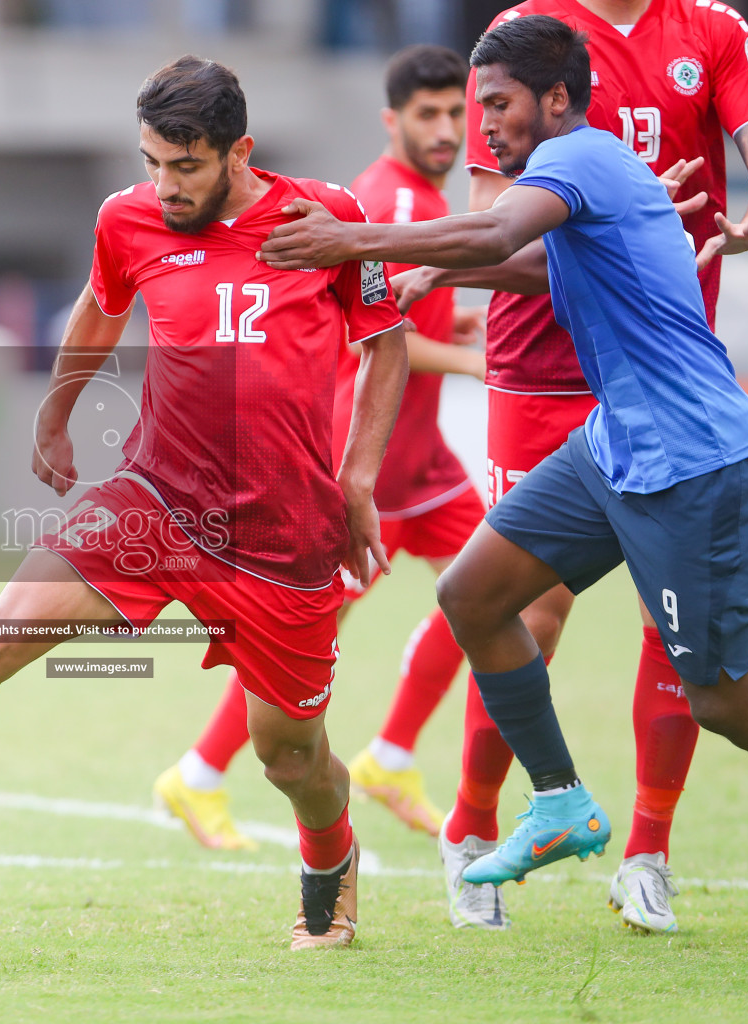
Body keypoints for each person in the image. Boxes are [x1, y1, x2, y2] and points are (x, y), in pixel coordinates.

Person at [0, 55, 410, 951]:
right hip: (156, 498)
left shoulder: (327, 216)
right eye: (151, 163)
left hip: (284, 538)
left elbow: (386, 341)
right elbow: (100, 305)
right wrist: (56, 412)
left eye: (186, 166)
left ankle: (330, 863)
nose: (163, 186)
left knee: (289, 754)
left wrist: (357, 479)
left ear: (240, 150)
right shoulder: (127, 219)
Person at [256, 13, 748, 935]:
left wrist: (355, 243)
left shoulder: (579, 159)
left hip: (695, 461)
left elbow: (496, 238)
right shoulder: (585, 172)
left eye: (496, 106)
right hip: (614, 442)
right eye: (476, 106)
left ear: (553, 99)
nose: (482, 126)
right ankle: (560, 802)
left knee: (721, 698)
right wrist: (421, 270)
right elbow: (537, 265)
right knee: (474, 594)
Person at [384, 0, 748, 935]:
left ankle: (648, 852)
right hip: (538, 373)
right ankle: (475, 830)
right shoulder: (530, 33)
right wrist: (606, 216)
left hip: (655, 371)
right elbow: (500, 223)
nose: (482, 116)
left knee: (678, 630)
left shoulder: (712, 29)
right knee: (521, 607)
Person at [152, 45, 489, 870]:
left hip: (423, 468)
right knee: (298, 643)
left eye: (458, 113)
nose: (446, 130)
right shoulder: (372, 203)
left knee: (512, 595)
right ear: (393, 121)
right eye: (429, 115)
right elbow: (376, 338)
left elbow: (411, 325)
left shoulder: (417, 203)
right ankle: (201, 772)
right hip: (355, 465)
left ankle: (393, 755)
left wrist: (463, 333)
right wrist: (482, 362)